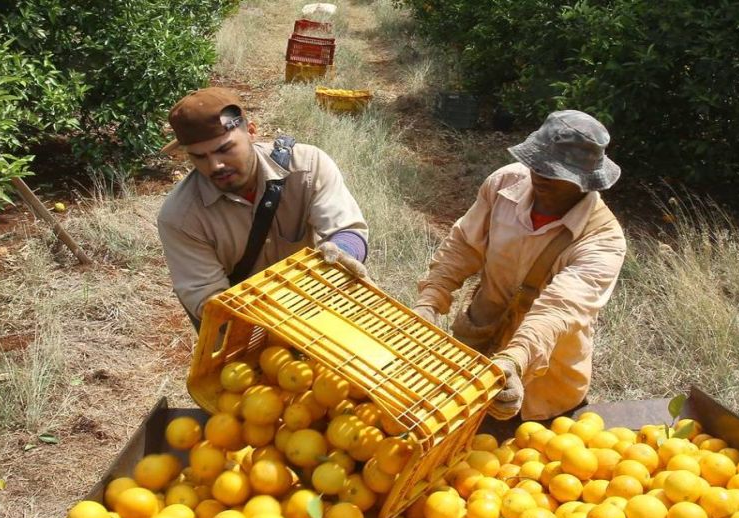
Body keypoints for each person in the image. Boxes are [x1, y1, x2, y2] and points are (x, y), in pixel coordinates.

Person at [412, 110, 627, 421]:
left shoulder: (602, 241)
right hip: (473, 352)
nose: (539, 176)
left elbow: (558, 310)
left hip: (543, 387)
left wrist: (514, 361)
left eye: (554, 173)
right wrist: (430, 301)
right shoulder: (504, 184)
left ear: (585, 181)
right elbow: (463, 246)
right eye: (536, 164)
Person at [157, 87, 369, 326]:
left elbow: (348, 230)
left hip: (315, 306)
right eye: (199, 157)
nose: (215, 165)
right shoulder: (180, 217)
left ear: (251, 131)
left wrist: (342, 252)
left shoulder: (308, 167)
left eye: (224, 149)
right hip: (243, 328)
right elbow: (208, 298)